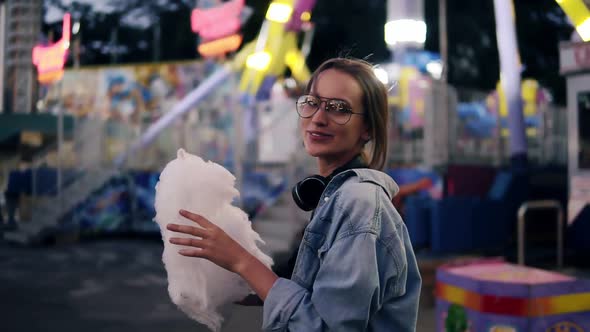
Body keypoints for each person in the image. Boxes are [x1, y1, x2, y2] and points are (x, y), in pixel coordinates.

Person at [166, 57, 422, 331]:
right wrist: (228, 282)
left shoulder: (358, 204)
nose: (319, 118)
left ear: (368, 128)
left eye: (339, 108)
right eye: (312, 102)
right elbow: (310, 295)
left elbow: (324, 327)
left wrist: (242, 261)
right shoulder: (334, 196)